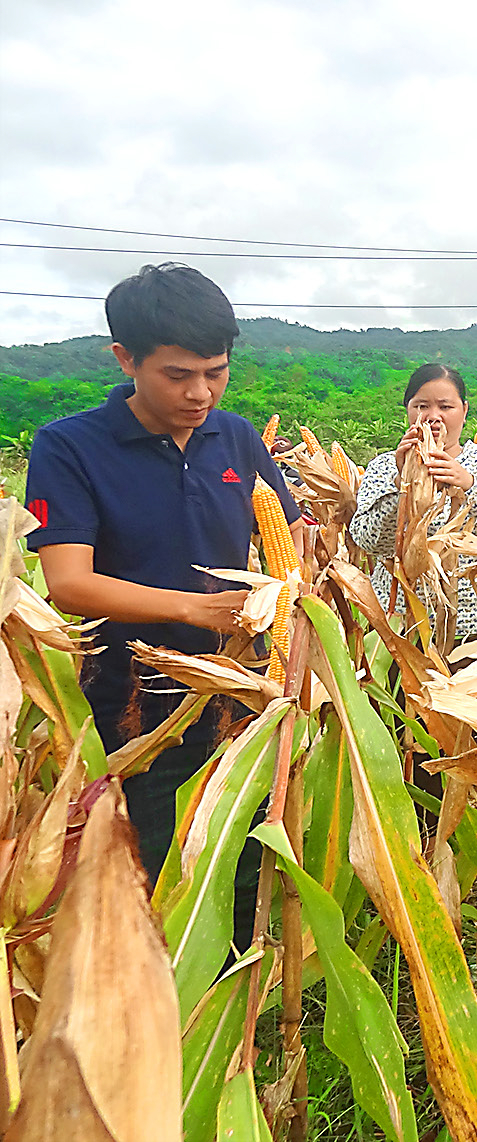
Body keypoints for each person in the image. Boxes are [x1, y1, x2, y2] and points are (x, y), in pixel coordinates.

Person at [24, 262, 303, 953]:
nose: (200, 392)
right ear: (125, 359)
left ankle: (240, 1016)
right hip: (134, 704)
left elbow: (292, 531)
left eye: (217, 371)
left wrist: (299, 583)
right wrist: (196, 608)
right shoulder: (69, 446)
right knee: (152, 868)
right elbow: (68, 581)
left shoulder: (236, 438)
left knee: (242, 859)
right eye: (178, 375)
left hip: (243, 692)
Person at [349, 364, 477, 642]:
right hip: (401, 626)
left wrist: (468, 485)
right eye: (421, 406)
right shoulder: (383, 467)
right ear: (407, 410)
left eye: (445, 407)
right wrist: (402, 483)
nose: (433, 417)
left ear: (464, 411)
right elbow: (368, 540)